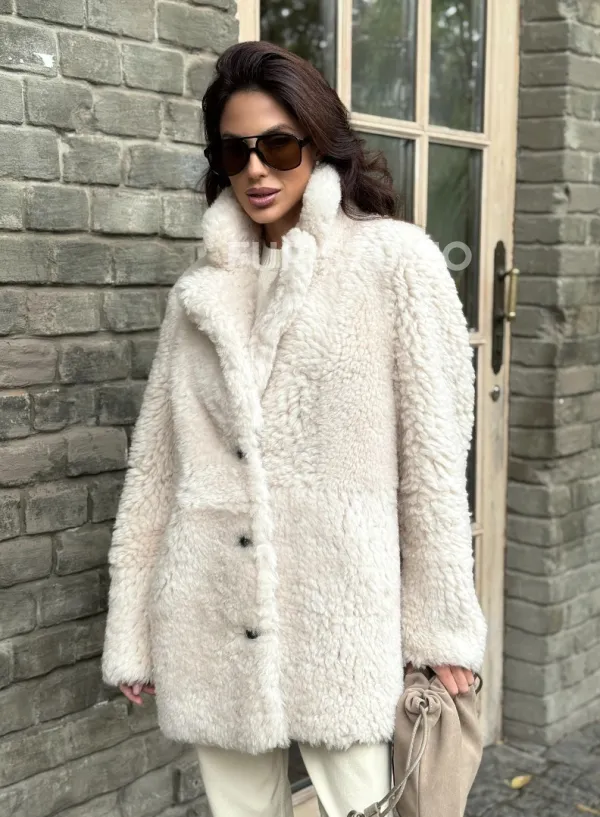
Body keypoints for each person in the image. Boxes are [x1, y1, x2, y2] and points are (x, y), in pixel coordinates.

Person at [101, 40, 487, 817]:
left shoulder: (395, 263)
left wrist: (442, 629)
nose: (256, 169)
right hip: (211, 609)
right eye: (235, 151)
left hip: (343, 616)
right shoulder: (197, 296)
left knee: (366, 805)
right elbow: (156, 471)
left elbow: (435, 463)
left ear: (319, 143)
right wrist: (132, 631)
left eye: (277, 145)